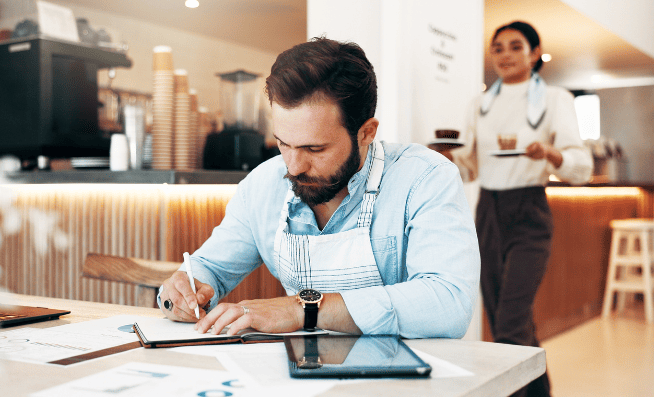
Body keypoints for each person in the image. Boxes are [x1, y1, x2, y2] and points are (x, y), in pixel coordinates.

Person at [158, 37, 480, 339]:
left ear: (366, 133)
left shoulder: (425, 178)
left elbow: (450, 302)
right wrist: (182, 291)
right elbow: (210, 268)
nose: (294, 167)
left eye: (315, 149)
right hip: (301, 372)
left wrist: (305, 308)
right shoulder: (262, 185)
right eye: (284, 144)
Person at [437, 21, 593, 397]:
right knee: (509, 321)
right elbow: (470, 166)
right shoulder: (480, 104)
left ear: (534, 53)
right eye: (498, 48)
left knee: (509, 324)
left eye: (515, 46)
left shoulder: (555, 99)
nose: (505, 55)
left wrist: (549, 153)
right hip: (488, 211)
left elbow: (581, 165)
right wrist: (442, 158)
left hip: (529, 211)